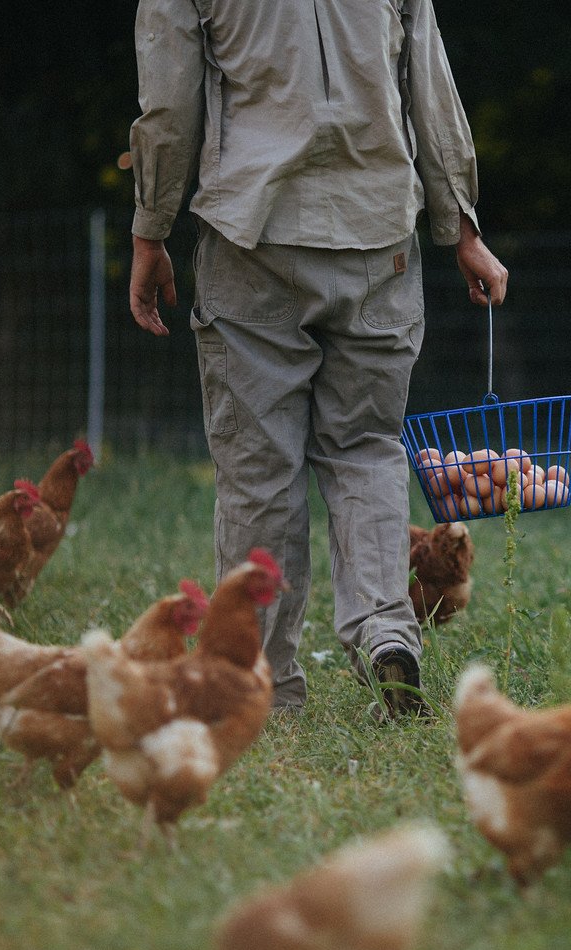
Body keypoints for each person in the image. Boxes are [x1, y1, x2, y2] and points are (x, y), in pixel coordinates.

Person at [126, 0, 508, 717]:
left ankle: (262, 683)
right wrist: (463, 228)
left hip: (252, 240)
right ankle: (387, 632)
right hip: (379, 238)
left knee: (259, 471)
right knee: (365, 448)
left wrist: (151, 231)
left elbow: (169, 109)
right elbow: (431, 85)